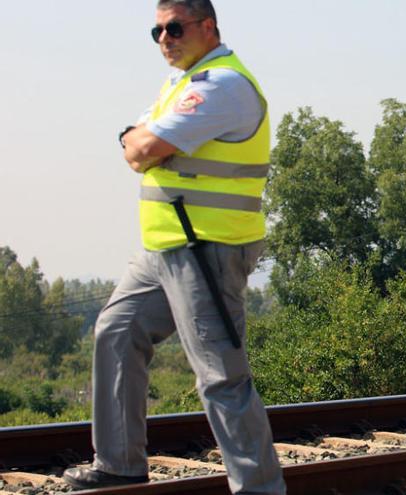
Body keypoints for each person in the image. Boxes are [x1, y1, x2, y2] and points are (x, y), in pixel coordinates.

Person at [62, 1, 286, 493]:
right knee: (116, 332)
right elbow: (134, 142)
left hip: (206, 250)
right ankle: (119, 465)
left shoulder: (222, 85)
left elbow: (139, 148)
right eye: (157, 30)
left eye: (175, 27)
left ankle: (260, 489)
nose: (165, 38)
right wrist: (137, 141)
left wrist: (139, 142)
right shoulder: (180, 86)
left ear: (208, 27)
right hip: (163, 250)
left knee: (221, 377)